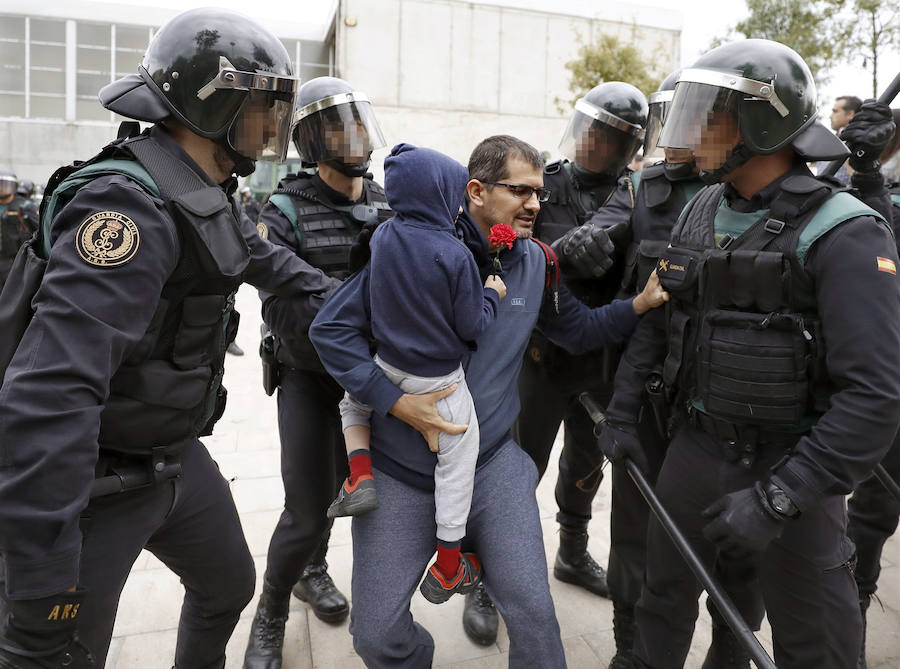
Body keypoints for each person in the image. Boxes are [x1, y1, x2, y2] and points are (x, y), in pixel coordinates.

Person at [0, 8, 342, 668]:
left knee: (228, 586)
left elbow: (270, 262)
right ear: (211, 105)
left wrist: (360, 307)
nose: (273, 127)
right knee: (61, 654)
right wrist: (40, 582)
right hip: (94, 482)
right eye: (260, 107)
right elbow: (51, 397)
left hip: (171, 456)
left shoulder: (203, 188)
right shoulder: (127, 208)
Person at [308, 134, 668, 668]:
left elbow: (577, 329)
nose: (535, 205)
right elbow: (331, 331)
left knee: (535, 615)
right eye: (520, 191)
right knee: (376, 635)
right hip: (401, 470)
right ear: (475, 191)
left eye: (540, 193)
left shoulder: (535, 263)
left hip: (494, 464)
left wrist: (637, 304)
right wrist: (395, 402)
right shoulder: (408, 249)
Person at [598, 39, 900, 669]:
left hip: (795, 465)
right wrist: (623, 414)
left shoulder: (844, 231)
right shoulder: (700, 209)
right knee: (661, 601)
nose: (691, 134)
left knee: (817, 640)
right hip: (696, 447)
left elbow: (873, 398)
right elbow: (661, 320)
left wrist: (780, 497)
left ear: (762, 123)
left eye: (710, 115)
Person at [552, 71, 762, 669]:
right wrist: (577, 245)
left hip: (733, 404)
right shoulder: (643, 188)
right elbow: (601, 229)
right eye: (671, 120)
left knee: (736, 548)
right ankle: (628, 650)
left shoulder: (756, 191)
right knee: (636, 539)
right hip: (646, 399)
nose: (681, 135)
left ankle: (729, 654)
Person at [243, 75, 392, 669]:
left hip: (375, 378)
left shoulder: (386, 201)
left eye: (357, 123)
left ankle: (315, 571)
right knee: (305, 508)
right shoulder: (281, 209)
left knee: (359, 493)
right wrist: (359, 308)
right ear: (311, 140)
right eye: (338, 127)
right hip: (308, 376)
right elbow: (282, 309)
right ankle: (272, 612)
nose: (353, 137)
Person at [329, 142, 507, 609]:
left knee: (352, 401)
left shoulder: (383, 237)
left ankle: (359, 474)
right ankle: (449, 566)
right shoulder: (454, 254)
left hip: (388, 365)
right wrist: (491, 294)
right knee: (458, 461)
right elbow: (473, 325)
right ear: (442, 193)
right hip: (439, 383)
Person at [506, 82, 647, 630]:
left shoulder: (639, 194)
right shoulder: (546, 183)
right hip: (541, 358)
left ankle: (571, 551)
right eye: (590, 129)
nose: (592, 142)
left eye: (607, 136)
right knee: (518, 470)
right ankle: (490, 571)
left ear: (626, 144)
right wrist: (554, 255)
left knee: (585, 467)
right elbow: (504, 247)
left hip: (600, 359)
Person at [0, 170, 38, 287]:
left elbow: (38, 229)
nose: (2, 189)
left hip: (15, 258)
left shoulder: (25, 206)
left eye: (5, 185)